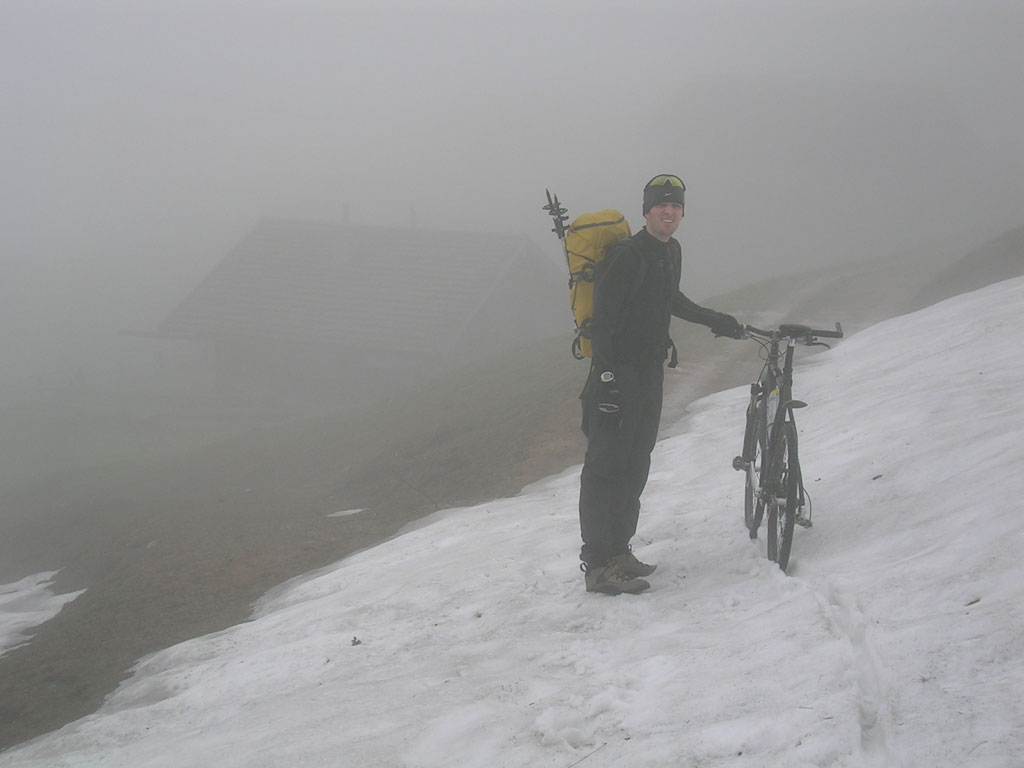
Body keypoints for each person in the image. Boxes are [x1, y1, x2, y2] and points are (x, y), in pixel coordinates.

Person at [578, 173, 744, 594]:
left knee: (636, 463)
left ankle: (619, 552)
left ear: (682, 212)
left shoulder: (670, 252)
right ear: (646, 210)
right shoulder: (627, 255)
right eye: (660, 205)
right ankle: (597, 566)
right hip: (617, 377)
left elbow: (670, 299)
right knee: (605, 468)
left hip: (649, 374)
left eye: (675, 205)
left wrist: (717, 321)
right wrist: (610, 378)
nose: (668, 211)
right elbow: (602, 322)